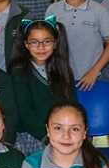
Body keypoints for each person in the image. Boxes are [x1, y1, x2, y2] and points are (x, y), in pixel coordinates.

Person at [10, 18, 76, 156]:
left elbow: (73, 105)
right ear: (26, 44)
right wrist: (48, 137)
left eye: (47, 41)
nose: (41, 47)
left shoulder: (63, 70)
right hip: (33, 136)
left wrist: (68, 132)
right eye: (34, 42)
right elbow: (25, 113)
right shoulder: (19, 71)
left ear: (55, 43)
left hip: (61, 133)